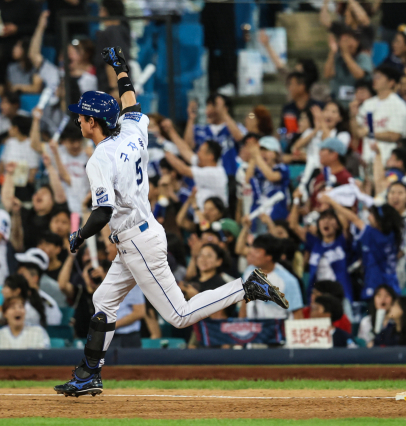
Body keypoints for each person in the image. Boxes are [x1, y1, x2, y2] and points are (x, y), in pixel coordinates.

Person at [55, 47, 289, 397]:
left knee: (178, 315)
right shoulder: (131, 131)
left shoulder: (100, 158)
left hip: (137, 240)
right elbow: (131, 104)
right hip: (139, 233)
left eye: (82, 117)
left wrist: (79, 235)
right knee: (103, 300)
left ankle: (246, 287)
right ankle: (90, 374)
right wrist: (120, 68)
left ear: (92, 122)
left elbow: (101, 213)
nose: (78, 121)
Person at [322, 196, 404, 299]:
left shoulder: (375, 235)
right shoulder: (390, 235)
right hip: (391, 285)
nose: (368, 217)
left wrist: (331, 201)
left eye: (372, 215)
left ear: (379, 219)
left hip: (378, 286)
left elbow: (354, 219)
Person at [353, 65, 406, 165]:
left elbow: (395, 136)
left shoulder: (398, 105)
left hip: (388, 161)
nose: (375, 79)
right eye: (374, 76)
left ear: (391, 82)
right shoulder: (368, 104)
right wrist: (352, 116)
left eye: (379, 77)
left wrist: (369, 133)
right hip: (367, 159)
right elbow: (357, 132)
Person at [240, 235, 304, 320]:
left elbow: (297, 315)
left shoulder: (288, 281)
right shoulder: (249, 271)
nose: (251, 253)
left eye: (257, 251)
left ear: (269, 257)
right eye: (253, 249)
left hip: (277, 330)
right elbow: (245, 302)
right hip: (253, 329)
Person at [163, 139, 228, 209]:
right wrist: (170, 131)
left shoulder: (215, 173)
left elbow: (183, 170)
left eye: (200, 151)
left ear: (210, 156)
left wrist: (164, 148)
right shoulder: (205, 165)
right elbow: (186, 151)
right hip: (202, 217)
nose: (197, 153)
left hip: (215, 218)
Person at [307, 209, 353, 303]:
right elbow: (293, 225)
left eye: (330, 219)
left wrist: (330, 201)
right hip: (319, 294)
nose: (326, 221)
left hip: (340, 294)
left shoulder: (342, 242)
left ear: (337, 225)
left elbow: (345, 224)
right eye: (323, 219)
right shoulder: (315, 244)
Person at [324, 28, 372, 108]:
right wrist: (332, 52)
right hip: (338, 104)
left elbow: (359, 75)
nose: (346, 44)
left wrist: (345, 53)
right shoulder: (337, 58)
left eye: (349, 40)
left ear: (357, 42)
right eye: (343, 41)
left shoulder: (363, 57)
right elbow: (327, 74)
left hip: (359, 103)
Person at [246, 136, 290, 222]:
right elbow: (247, 180)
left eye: (267, 150)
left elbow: (271, 176)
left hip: (277, 215)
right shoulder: (256, 170)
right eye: (261, 150)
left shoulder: (282, 168)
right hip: (257, 214)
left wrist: (257, 157)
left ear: (276, 154)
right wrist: (253, 158)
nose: (263, 153)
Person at [15, 248, 64, 324]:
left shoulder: (47, 303)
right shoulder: (13, 298)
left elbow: (52, 329)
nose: (17, 278)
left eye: (22, 275)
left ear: (34, 278)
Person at [281, 72, 324, 137]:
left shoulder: (318, 107)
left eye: (291, 84)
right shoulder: (287, 108)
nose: (289, 88)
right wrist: (283, 133)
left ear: (302, 86)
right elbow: (282, 129)